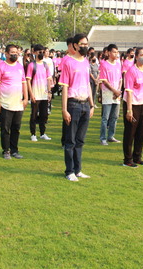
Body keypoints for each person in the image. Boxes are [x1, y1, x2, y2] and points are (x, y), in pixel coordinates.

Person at [59, 33, 94, 181]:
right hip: (73, 104)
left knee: (80, 140)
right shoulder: (68, 62)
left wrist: (92, 104)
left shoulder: (86, 62)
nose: (84, 46)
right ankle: (69, 171)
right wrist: (64, 109)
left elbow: (87, 84)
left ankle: (78, 169)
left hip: (85, 104)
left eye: (86, 44)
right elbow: (65, 87)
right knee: (70, 141)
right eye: (82, 44)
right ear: (75, 45)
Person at [122, 47, 143, 167]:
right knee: (130, 133)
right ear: (136, 56)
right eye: (141, 55)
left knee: (141, 132)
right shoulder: (131, 71)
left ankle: (137, 157)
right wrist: (129, 110)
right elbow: (129, 91)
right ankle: (127, 159)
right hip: (133, 104)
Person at [27, 44, 53, 142]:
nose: (41, 53)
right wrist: (31, 94)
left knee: (44, 115)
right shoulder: (31, 65)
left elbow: (49, 79)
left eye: (43, 52)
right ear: (34, 52)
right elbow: (28, 80)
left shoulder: (45, 65)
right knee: (34, 114)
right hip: (35, 93)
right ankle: (33, 134)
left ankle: (42, 133)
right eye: (39, 52)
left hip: (44, 94)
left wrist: (49, 92)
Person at [99, 43, 123, 145]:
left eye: (117, 52)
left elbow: (120, 79)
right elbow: (104, 81)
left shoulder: (118, 64)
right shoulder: (104, 64)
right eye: (114, 52)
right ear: (108, 53)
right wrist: (114, 91)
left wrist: (118, 91)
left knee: (114, 117)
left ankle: (111, 136)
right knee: (105, 117)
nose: (116, 54)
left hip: (116, 94)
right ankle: (103, 138)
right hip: (108, 93)